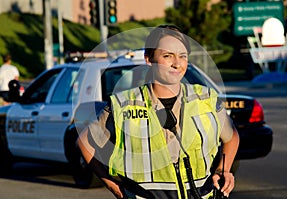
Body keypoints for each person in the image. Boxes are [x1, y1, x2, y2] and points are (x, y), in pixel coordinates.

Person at [77, 25, 239, 199]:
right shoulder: (124, 104)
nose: (177, 63)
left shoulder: (206, 98)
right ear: (149, 59)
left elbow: (232, 137)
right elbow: (85, 143)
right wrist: (115, 188)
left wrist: (223, 169)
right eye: (167, 56)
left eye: (182, 56)